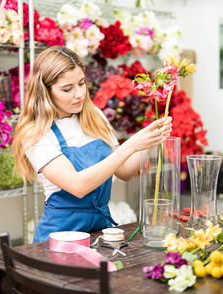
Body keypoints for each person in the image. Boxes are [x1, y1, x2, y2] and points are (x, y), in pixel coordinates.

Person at [13, 46, 172, 243]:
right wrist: (130, 146)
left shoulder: (93, 115)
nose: (79, 94)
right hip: (60, 238)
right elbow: (77, 185)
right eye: (67, 89)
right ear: (45, 91)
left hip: (100, 232)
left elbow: (124, 171)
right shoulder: (35, 133)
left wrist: (149, 140)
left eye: (81, 83)